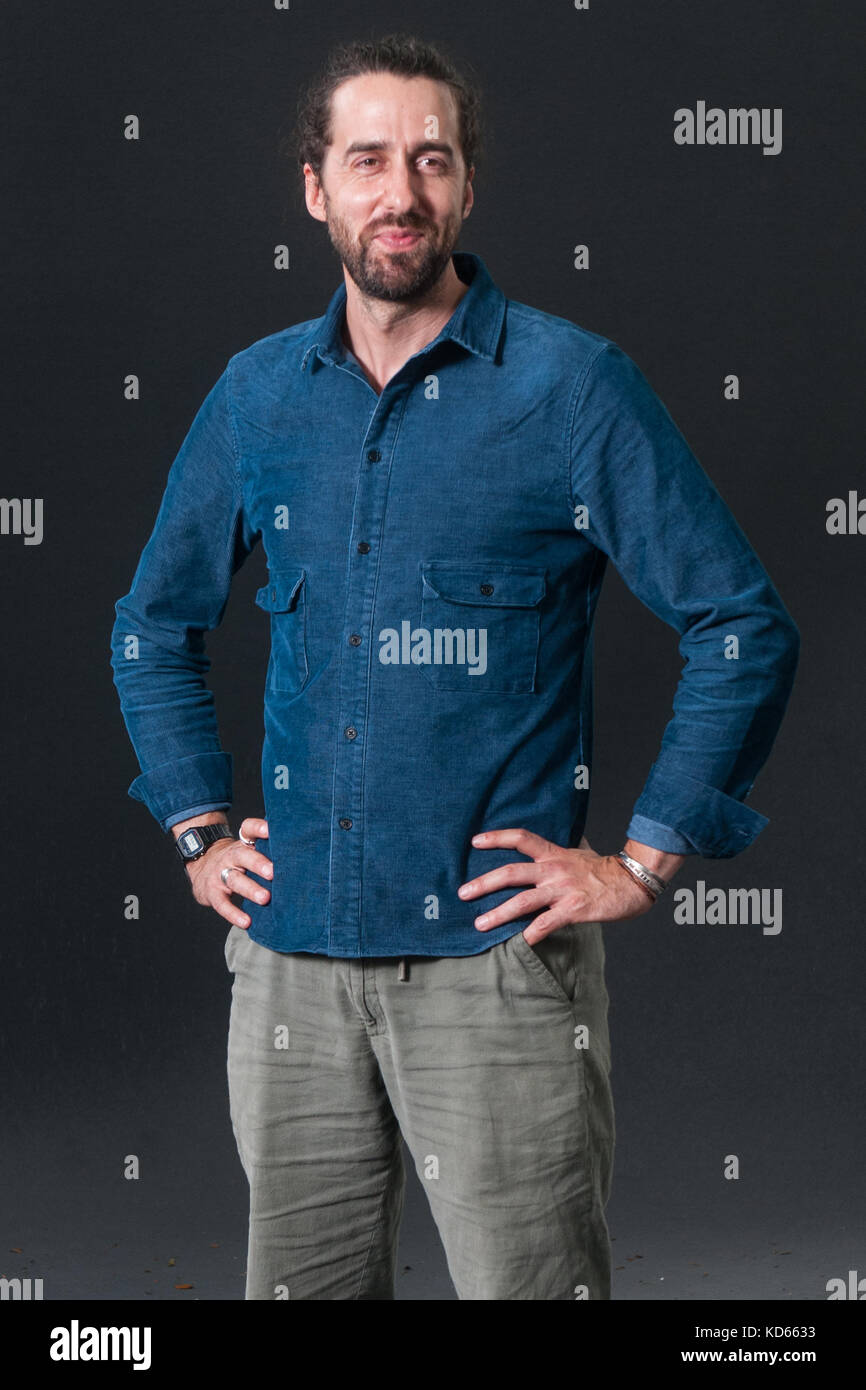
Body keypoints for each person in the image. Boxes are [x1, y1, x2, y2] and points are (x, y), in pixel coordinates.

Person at [110, 33, 800, 1301]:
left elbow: (740, 626)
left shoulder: (572, 388)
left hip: (494, 973)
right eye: (366, 159)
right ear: (315, 189)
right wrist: (198, 828)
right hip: (291, 966)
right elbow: (152, 625)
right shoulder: (257, 396)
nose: (401, 192)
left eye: (432, 158)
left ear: (467, 187)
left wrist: (643, 859)